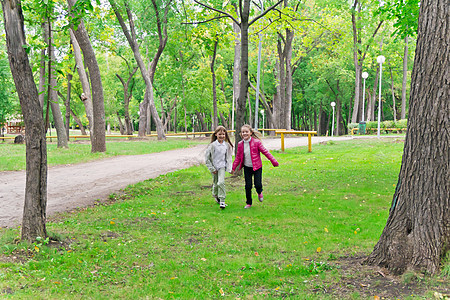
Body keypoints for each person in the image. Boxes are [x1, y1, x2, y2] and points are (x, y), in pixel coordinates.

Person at [231, 124, 279, 209]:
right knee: (248, 186)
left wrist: (273, 161)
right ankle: (249, 202)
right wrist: (233, 168)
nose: (244, 133)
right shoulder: (240, 144)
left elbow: (265, 152)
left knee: (258, 184)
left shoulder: (256, 142)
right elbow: (238, 157)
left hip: (257, 167)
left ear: (250, 132)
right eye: (243, 132)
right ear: (241, 134)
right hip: (247, 167)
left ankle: (259, 192)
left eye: (246, 132)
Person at [205, 126, 234, 209]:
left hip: (222, 167)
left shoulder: (227, 145)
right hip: (214, 167)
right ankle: (216, 195)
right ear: (216, 134)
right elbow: (207, 158)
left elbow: (228, 158)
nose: (221, 136)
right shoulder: (212, 145)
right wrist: (212, 168)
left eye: (223, 134)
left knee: (221, 182)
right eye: (220, 134)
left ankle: (222, 200)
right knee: (216, 183)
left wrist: (229, 168)